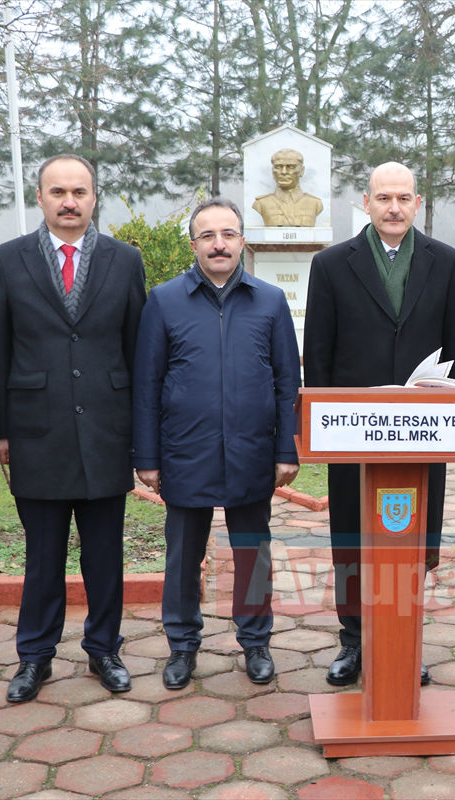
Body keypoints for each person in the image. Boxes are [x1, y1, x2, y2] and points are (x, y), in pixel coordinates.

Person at [0, 154, 146, 702]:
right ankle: (34, 657)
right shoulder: (6, 261)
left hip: (106, 429)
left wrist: (138, 433)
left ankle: (104, 649)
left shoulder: (126, 261)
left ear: (94, 196)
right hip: (37, 432)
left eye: (79, 191)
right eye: (58, 192)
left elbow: (136, 353)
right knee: (43, 556)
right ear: (41, 197)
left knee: (104, 553)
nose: (69, 201)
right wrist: (0, 431)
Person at [303, 161, 455, 686]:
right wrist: (320, 425)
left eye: (403, 198)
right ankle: (353, 641)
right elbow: (319, 355)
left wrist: (452, 414)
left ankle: (402, 638)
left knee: (411, 537)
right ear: (367, 203)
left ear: (417, 203)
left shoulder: (445, 262)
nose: (394, 208)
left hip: (421, 432)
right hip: (354, 431)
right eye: (383, 198)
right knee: (353, 537)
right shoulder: (331, 265)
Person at [133, 198, 300, 688]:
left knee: (253, 552)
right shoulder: (164, 301)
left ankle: (256, 643)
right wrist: (147, 456)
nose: (219, 244)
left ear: (243, 241)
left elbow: (287, 381)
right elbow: (147, 383)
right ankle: (182, 647)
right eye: (208, 236)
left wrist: (286, 450)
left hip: (251, 452)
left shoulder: (269, 301)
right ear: (194, 245)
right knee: (183, 556)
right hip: (186, 452)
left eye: (228, 234)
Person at [252, 148, 324, 227]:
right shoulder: (261, 203)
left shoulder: (315, 203)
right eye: (278, 167)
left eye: (291, 167)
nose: (284, 172)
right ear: (273, 171)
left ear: (302, 171)